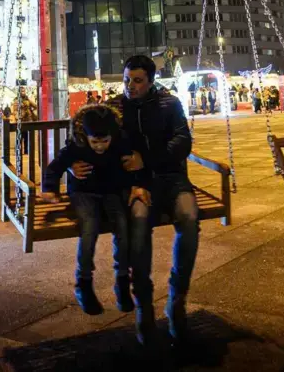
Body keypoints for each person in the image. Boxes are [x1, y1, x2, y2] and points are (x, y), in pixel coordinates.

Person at [73, 55, 195, 344]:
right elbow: (85, 131)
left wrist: (148, 160)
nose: (130, 86)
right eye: (127, 79)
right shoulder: (115, 108)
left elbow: (182, 141)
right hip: (137, 184)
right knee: (139, 221)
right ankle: (143, 304)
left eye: (137, 80)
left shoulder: (169, 104)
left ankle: (177, 299)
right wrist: (71, 163)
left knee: (189, 219)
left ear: (151, 81)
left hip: (172, 179)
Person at [40, 102, 136, 316]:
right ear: (86, 137)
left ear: (112, 135)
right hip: (83, 193)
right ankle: (83, 282)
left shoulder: (120, 143)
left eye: (105, 141)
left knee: (122, 226)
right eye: (95, 142)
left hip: (110, 192)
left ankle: (122, 279)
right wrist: (49, 189)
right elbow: (54, 167)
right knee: (89, 227)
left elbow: (130, 164)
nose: (100, 147)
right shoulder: (77, 145)